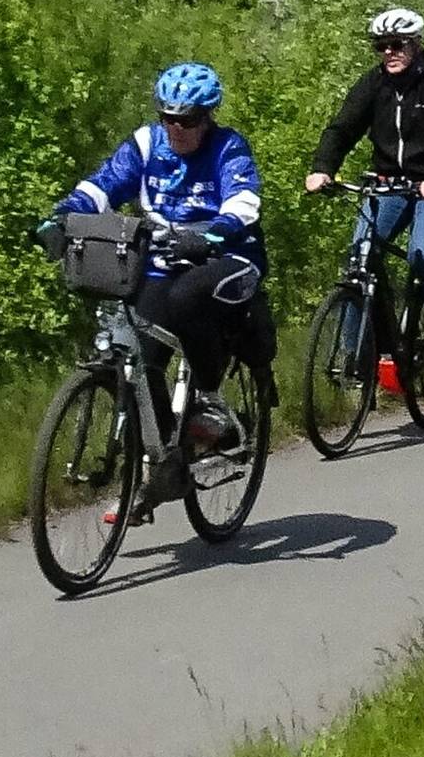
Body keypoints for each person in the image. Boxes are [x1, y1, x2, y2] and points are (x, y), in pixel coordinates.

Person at [45, 62, 269, 510]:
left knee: (188, 301)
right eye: (168, 117)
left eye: (187, 120)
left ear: (207, 117)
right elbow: (102, 186)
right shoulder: (147, 144)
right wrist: (62, 216)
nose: (176, 128)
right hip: (164, 261)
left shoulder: (228, 147)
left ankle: (209, 398)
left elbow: (245, 202)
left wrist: (210, 233)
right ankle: (169, 461)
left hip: (228, 258)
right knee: (140, 354)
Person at [306, 8, 424, 368]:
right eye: (381, 46)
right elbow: (342, 128)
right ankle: (359, 355)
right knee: (359, 257)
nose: (389, 53)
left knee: (423, 254)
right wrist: (323, 168)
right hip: (389, 184)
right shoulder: (374, 84)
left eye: (397, 45)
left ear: (416, 45)